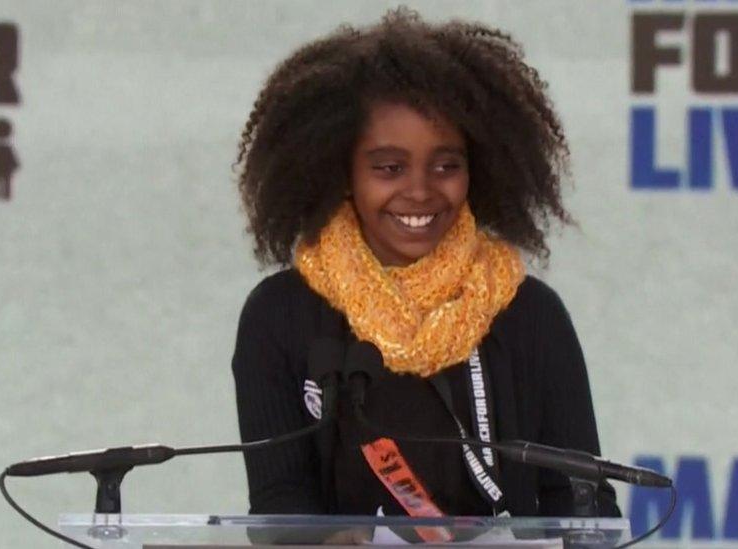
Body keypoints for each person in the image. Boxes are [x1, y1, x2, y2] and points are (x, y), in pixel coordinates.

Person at [231, 8, 620, 519]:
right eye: (389, 168)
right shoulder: (280, 315)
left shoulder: (530, 314)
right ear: (343, 173)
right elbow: (279, 509)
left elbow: (586, 505)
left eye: (446, 166)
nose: (420, 191)